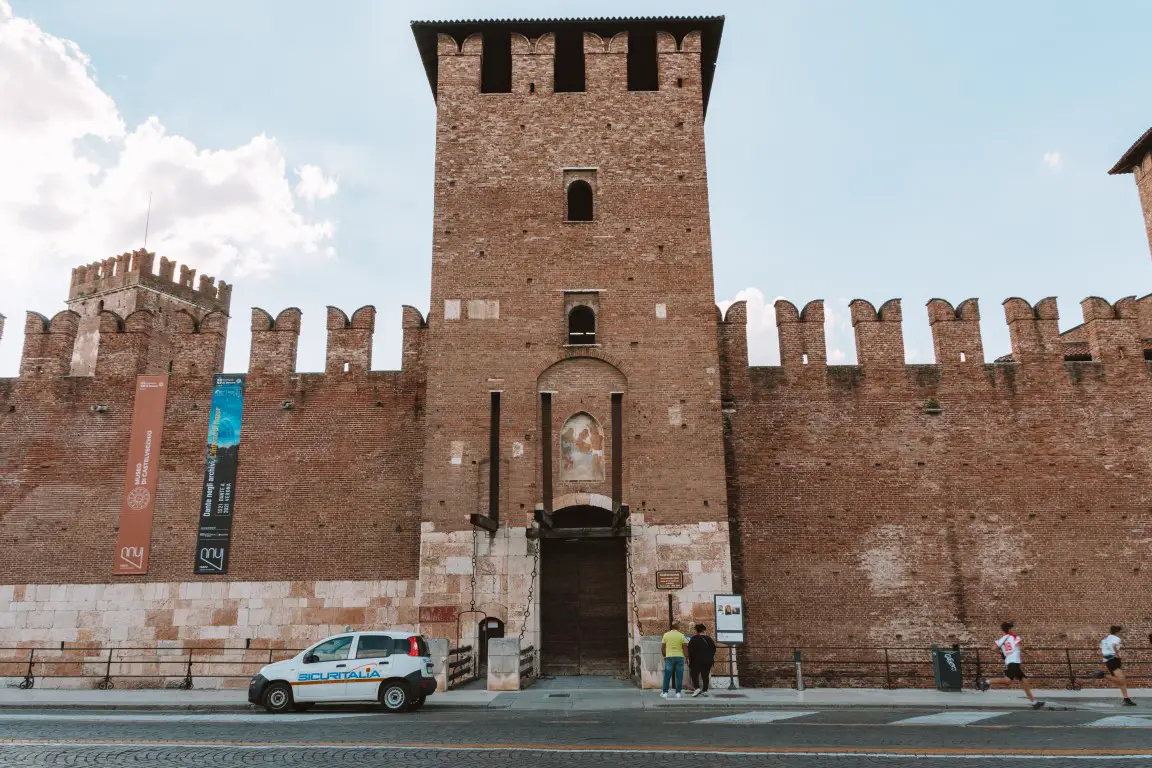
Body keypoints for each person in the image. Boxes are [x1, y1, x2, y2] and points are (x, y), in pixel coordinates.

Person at [979, 622, 1045, 709]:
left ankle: (1034, 702)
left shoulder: (1002, 639)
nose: (1014, 630)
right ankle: (987, 681)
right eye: (1013, 628)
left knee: (1024, 681)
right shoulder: (1014, 637)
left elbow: (993, 648)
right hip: (1014, 662)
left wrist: (1002, 653)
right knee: (1008, 681)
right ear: (1009, 629)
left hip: (1011, 662)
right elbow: (1020, 647)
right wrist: (1028, 654)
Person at [1095, 625, 1136, 706]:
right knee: (1121, 680)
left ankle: (1126, 699)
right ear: (1117, 632)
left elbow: (1099, 652)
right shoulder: (1116, 638)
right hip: (1114, 660)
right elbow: (1114, 646)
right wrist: (1117, 655)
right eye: (1120, 632)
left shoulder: (1105, 639)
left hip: (1108, 661)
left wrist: (1105, 658)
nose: (1120, 634)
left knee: (1122, 682)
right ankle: (1102, 674)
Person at [687, 623, 717, 698]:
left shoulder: (693, 639)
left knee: (694, 674)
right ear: (704, 630)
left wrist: (689, 659)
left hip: (696, 661)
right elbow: (714, 649)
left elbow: (689, 650)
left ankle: (697, 688)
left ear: (696, 631)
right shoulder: (709, 639)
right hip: (707, 661)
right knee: (705, 675)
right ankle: (705, 690)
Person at [660, 622, 688, 699]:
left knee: (667, 675)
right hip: (680, 657)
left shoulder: (666, 635)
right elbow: (685, 647)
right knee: (679, 675)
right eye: (679, 625)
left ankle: (665, 692)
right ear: (677, 626)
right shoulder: (681, 635)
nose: (680, 626)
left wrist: (664, 656)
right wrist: (686, 657)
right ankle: (678, 693)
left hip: (669, 657)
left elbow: (663, 647)